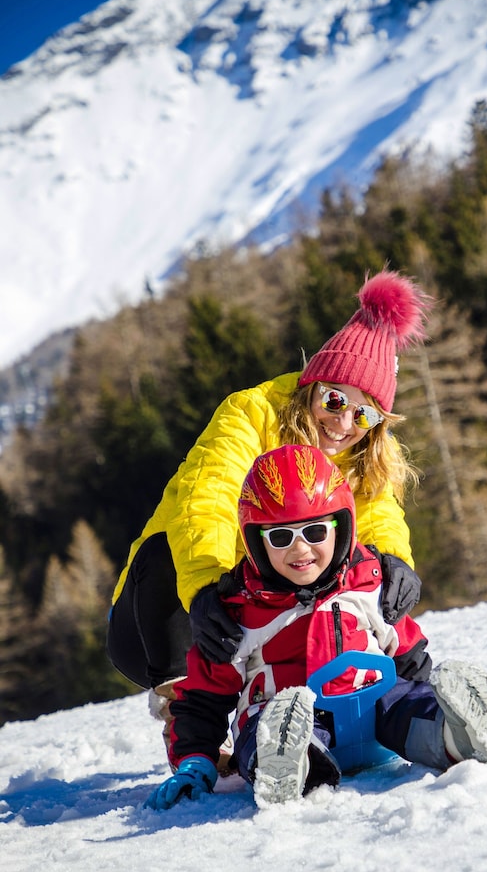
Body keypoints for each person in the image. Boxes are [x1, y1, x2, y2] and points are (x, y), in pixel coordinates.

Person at [107, 269, 432, 697]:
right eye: (334, 400)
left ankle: (384, 702)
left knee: (355, 572)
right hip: (167, 618)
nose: (343, 423)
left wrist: (393, 560)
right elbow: (208, 498)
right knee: (165, 552)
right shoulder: (251, 414)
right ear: (312, 385)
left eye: (364, 414)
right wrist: (205, 588)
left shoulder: (362, 448)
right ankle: (183, 713)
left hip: (264, 613)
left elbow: (377, 511)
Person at [145, 445, 487, 810]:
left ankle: (457, 734)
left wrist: (422, 692)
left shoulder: (369, 582)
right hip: (292, 714)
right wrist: (195, 761)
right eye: (280, 537)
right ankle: (286, 765)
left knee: (407, 702)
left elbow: (406, 649)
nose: (300, 550)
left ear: (341, 526)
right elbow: (203, 699)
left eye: (314, 532)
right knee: (267, 726)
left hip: (374, 705)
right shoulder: (239, 612)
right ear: (254, 540)